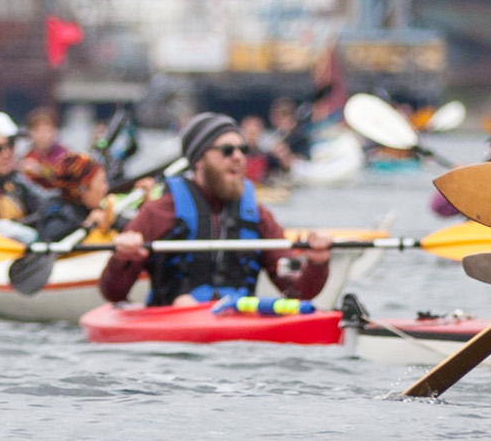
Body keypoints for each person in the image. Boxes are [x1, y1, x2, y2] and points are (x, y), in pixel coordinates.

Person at [98, 113, 334, 307]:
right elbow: (114, 293)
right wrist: (121, 259)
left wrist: (317, 264)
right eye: (227, 150)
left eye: (243, 149)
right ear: (199, 160)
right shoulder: (158, 212)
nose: (238, 157)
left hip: (239, 329)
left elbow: (297, 290)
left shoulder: (260, 216)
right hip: (174, 328)